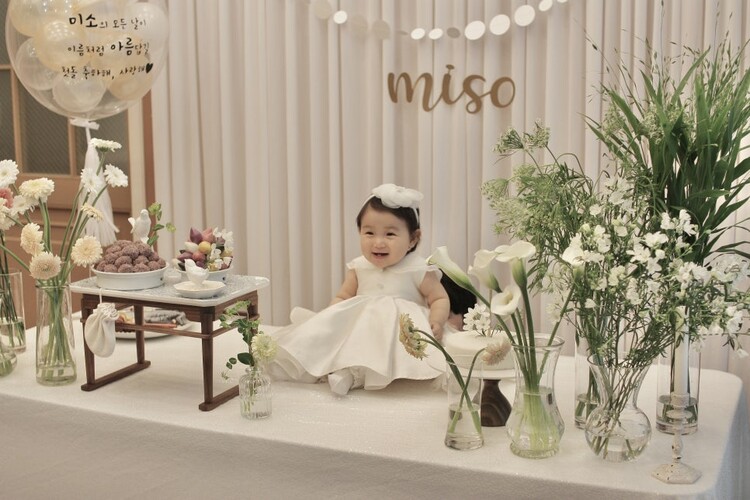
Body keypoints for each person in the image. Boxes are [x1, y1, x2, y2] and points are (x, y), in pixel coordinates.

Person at [268, 183, 451, 395]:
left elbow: (439, 298)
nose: (378, 242)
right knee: (348, 340)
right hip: (364, 324)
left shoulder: (417, 269)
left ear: (413, 239)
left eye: (390, 234)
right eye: (369, 233)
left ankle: (361, 374)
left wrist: (437, 321)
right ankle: (341, 371)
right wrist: (329, 316)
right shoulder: (359, 267)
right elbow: (343, 295)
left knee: (387, 347)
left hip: (401, 330)